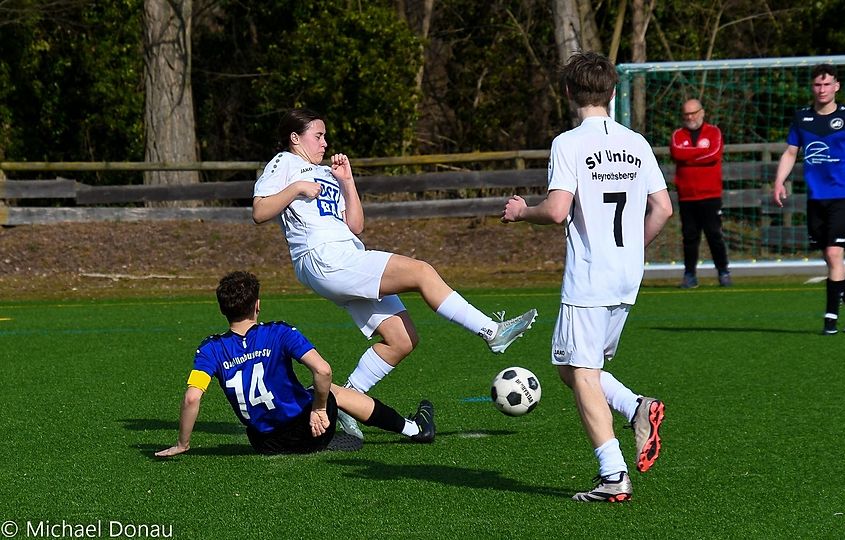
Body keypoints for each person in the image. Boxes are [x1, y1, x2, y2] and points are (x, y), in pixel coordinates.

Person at [252, 108, 538, 439]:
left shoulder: (327, 173)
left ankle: (347, 401)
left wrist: (347, 182)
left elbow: (356, 226)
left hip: (345, 254)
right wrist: (296, 188)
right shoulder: (284, 162)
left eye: (325, 136)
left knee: (401, 340)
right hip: (323, 256)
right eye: (318, 136)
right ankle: (491, 331)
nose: (325, 143)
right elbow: (259, 211)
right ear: (294, 138)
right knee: (422, 272)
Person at [501, 51, 673, 503]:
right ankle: (637, 407)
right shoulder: (636, 142)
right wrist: (632, 249)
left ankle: (613, 475)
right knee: (572, 367)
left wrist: (522, 212)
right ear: (612, 92)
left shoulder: (569, 143)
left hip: (591, 275)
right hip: (627, 276)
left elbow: (557, 210)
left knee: (581, 372)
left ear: (567, 92)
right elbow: (663, 209)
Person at [155, 271, 435, 457]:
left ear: (222, 309)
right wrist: (319, 408)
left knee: (303, 393)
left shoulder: (210, 348)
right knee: (330, 390)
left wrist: (183, 443)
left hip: (265, 444)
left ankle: (330, 424)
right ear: (257, 305)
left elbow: (192, 398)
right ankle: (414, 429)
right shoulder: (279, 332)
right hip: (312, 432)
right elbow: (323, 370)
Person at [773, 63, 845, 335]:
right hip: (816, 197)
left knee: (834, 253)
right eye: (818, 85)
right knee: (833, 260)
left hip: (844, 195)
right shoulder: (802, 118)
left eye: (827, 84)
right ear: (812, 87)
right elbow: (790, 152)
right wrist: (779, 180)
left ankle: (830, 319)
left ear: (836, 86)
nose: (822, 89)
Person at [670, 99, 731, 288]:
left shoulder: (714, 132)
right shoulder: (678, 135)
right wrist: (699, 153)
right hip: (687, 195)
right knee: (689, 237)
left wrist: (689, 156)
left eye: (693, 113)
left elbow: (714, 154)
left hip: (710, 195)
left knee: (714, 234)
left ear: (702, 112)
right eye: (686, 114)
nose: (690, 117)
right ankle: (689, 275)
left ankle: (723, 271)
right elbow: (677, 153)